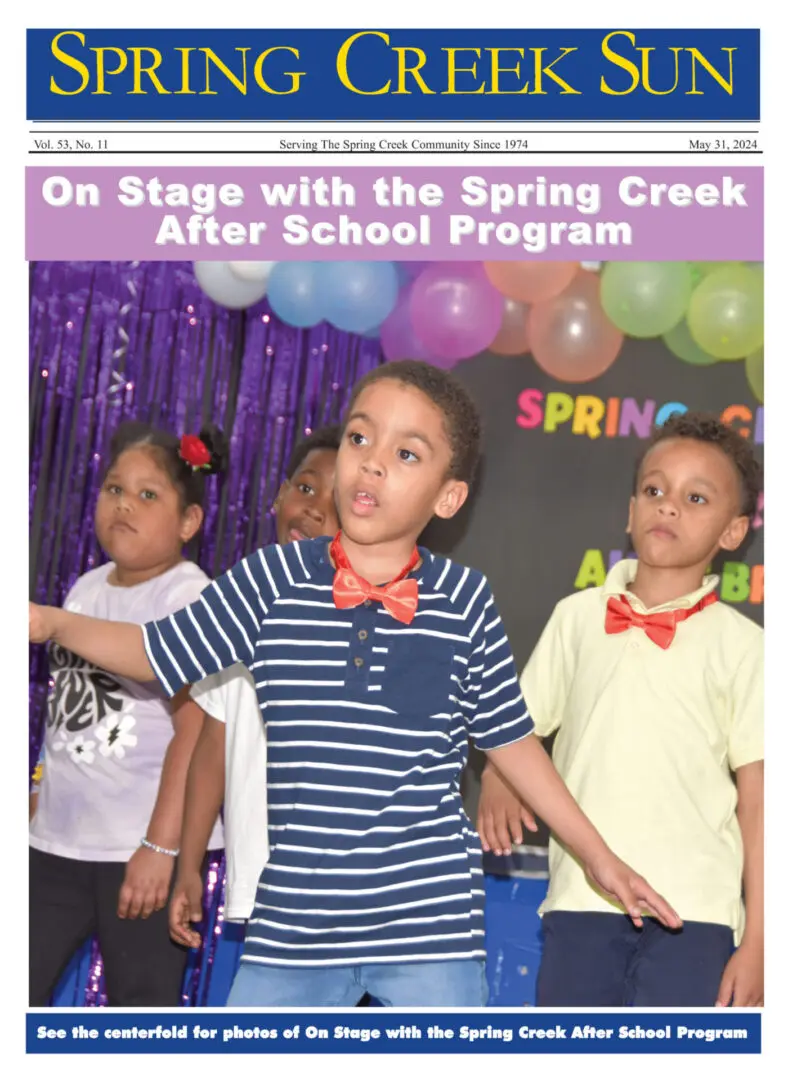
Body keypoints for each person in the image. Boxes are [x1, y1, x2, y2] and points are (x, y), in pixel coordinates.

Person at [29, 360, 681, 1009]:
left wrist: (599, 858)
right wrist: (51, 621)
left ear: (448, 497)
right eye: (360, 439)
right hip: (294, 930)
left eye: (406, 453)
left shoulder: (464, 599)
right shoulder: (272, 579)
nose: (371, 463)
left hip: (429, 932)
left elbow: (511, 742)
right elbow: (154, 651)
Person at [478, 411, 764, 1008]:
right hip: (582, 900)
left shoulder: (748, 647)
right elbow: (515, 729)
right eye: (655, 491)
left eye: (696, 497)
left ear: (734, 533)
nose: (668, 507)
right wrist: (499, 775)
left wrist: (760, 939)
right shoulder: (577, 617)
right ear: (631, 509)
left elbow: (761, 803)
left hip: (697, 913)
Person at [28, 421, 227, 1007]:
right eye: (114, 488)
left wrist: (161, 848)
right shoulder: (87, 588)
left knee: (140, 1013)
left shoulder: (187, 596)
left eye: (148, 495)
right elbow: (68, 705)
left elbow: (194, 731)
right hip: (55, 844)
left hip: (136, 853)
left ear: (189, 522)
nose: (124, 505)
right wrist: (39, 787)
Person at [168, 425, 341, 947]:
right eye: (305, 488)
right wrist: (189, 865)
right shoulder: (235, 602)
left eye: (335, 500)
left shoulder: (365, 618)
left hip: (344, 890)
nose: (313, 509)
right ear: (277, 497)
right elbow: (212, 745)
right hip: (265, 882)